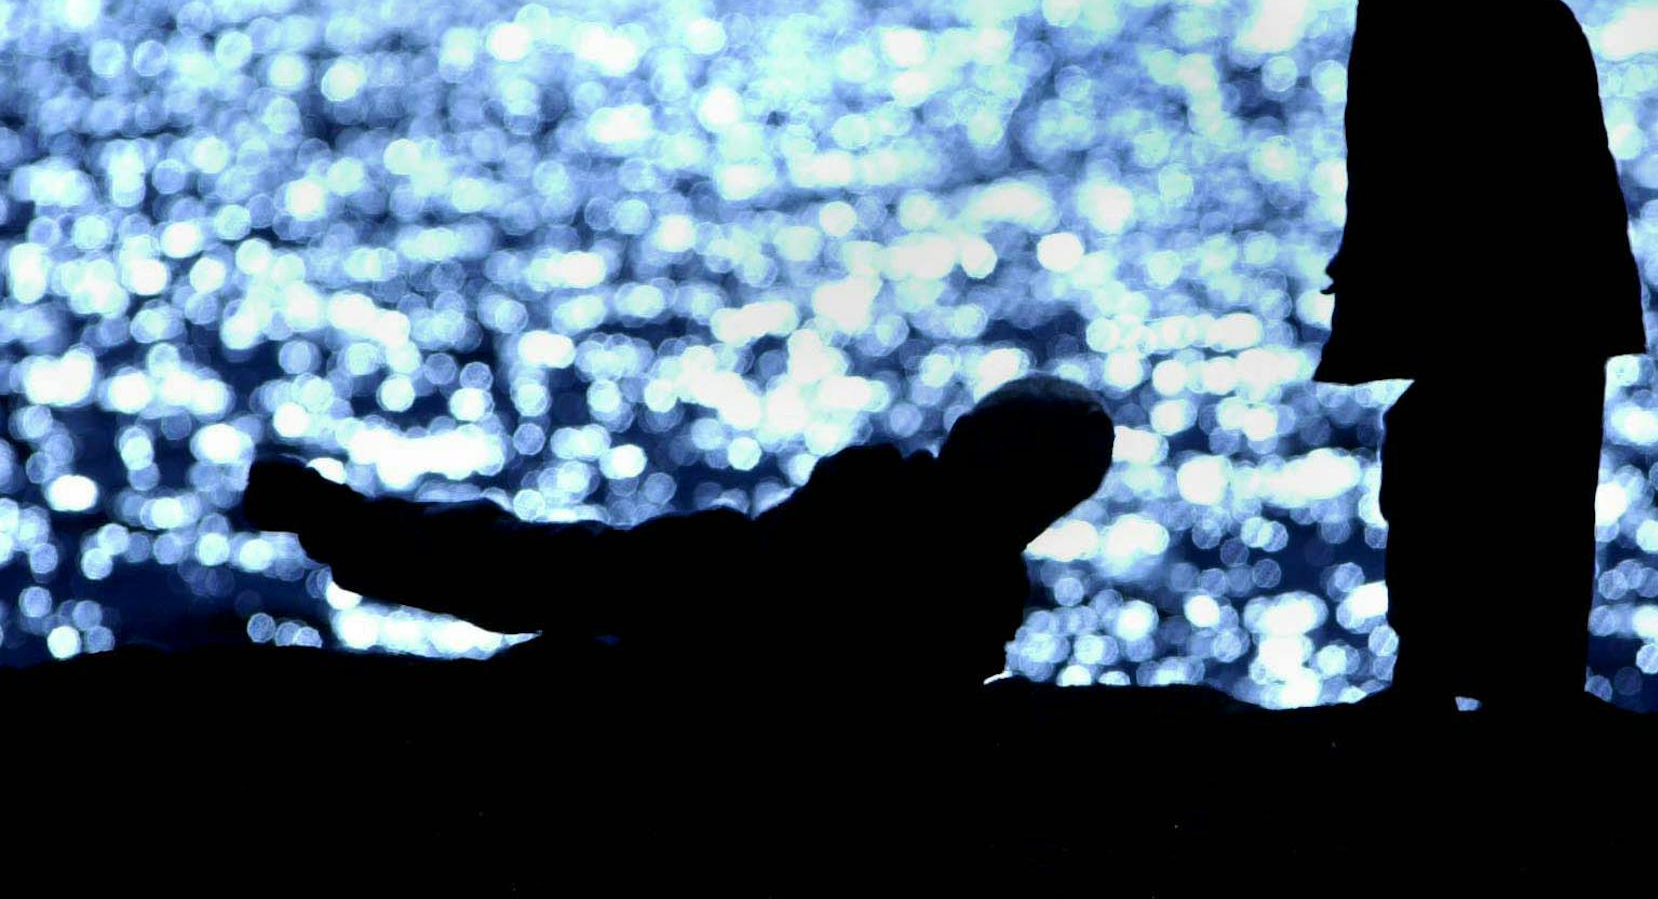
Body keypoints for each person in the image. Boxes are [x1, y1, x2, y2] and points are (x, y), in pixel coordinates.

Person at [1193, 0, 1647, 721]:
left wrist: (1406, 273)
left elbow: (1486, 192)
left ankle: (1481, 699)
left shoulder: (1449, 3)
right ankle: (1477, 690)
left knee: (1487, 491)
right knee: (1482, 488)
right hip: (1526, 309)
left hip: (1518, 313)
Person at [241, 373, 1116, 706]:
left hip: (695, 631)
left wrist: (343, 523)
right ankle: (339, 517)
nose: (932, 450)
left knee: (548, 576)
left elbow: (541, 573)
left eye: (965, 444)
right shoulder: (963, 626)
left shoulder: (799, 561)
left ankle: (334, 514)